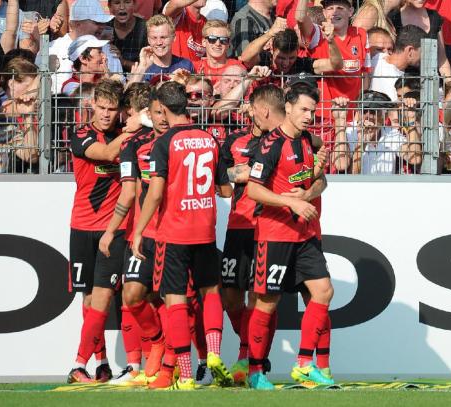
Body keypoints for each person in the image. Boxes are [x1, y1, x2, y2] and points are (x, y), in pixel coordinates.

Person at [132, 80, 233, 390]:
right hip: (205, 230)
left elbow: (155, 192)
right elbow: (224, 188)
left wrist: (138, 231)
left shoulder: (163, 143)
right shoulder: (209, 139)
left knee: (174, 299)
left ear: (161, 109)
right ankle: (214, 354)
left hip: (173, 232)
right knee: (210, 291)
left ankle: (186, 375)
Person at [246, 84, 332, 390]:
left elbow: (322, 181)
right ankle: (255, 371)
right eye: (304, 110)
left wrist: (308, 193)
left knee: (323, 292)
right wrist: (292, 202)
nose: (309, 116)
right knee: (267, 304)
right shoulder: (270, 145)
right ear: (289, 106)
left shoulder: (308, 140)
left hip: (304, 234)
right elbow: (253, 189)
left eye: (313, 111)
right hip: (275, 234)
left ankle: (305, 365)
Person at [96, 83, 169, 387]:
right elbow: (129, 192)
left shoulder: (168, 140)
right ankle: (155, 347)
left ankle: (178, 362)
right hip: (144, 232)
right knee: (135, 295)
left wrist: (109, 231)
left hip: (166, 232)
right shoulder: (134, 143)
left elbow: (129, 195)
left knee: (170, 298)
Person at [220, 84, 286, 386]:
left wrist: (249, 172)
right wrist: (240, 173)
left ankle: (248, 356)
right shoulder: (234, 140)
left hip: (264, 226)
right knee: (230, 295)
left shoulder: (281, 141)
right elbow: (221, 180)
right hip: (237, 224)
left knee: (258, 297)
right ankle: (251, 349)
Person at [67, 79, 129, 384]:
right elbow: (104, 155)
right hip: (81, 227)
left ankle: (79, 364)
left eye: (112, 109)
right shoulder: (78, 133)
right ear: (92, 105)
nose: (106, 114)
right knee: (89, 301)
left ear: (119, 110)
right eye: (102, 108)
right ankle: (102, 362)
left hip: (113, 230)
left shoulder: (122, 134)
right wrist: (129, 131)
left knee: (103, 299)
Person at [44, 0, 123, 94]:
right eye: (96, 22)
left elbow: (121, 91)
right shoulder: (51, 49)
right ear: (77, 24)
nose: (102, 26)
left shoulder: (110, 51)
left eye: (103, 22)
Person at [239, 24, 343, 84]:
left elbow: (336, 65)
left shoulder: (302, 64)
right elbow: (245, 57)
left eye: (292, 57)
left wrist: (331, 41)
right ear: (272, 49)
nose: (286, 63)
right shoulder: (263, 59)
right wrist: (269, 34)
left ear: (298, 50)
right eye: (281, 58)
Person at [389, 0, 451, 79]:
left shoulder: (434, 17)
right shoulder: (393, 17)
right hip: (401, 82)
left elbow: (442, 58)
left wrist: (450, 85)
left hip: (431, 81)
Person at [129, 14, 194, 83]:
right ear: (148, 40)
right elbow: (129, 93)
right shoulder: (143, 68)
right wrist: (142, 67)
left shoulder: (185, 65)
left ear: (174, 38)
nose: (159, 42)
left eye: (163, 37)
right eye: (154, 38)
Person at [370, 25, 426, 102]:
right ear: (410, 51)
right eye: (422, 52)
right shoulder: (375, 60)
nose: (424, 57)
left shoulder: (377, 58)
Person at [194, 19, 245, 86]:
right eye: (212, 39)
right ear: (204, 42)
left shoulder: (237, 68)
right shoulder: (194, 67)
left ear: (228, 44)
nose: (218, 44)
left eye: (223, 40)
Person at [109, 0, 148, 72]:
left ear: (134, 5)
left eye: (127, 2)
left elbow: (150, 67)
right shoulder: (105, 28)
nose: (122, 7)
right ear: (110, 7)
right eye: (117, 3)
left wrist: (122, 62)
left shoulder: (146, 28)